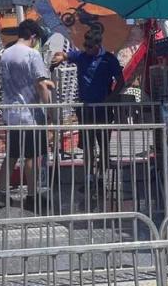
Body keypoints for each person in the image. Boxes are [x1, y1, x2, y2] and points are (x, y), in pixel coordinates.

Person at [52, 29, 124, 198]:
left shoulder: (109, 59)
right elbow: (66, 55)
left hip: (103, 111)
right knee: (87, 146)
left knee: (104, 146)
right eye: (85, 45)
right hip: (85, 110)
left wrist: (110, 99)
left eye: (90, 46)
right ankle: (89, 178)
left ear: (98, 45)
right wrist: (58, 57)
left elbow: (121, 81)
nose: (87, 48)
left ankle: (101, 178)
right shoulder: (82, 56)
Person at [0, 19, 54, 209]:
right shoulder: (32, 54)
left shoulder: (6, 54)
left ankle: (2, 193)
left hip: (11, 113)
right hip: (30, 114)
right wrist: (49, 108)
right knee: (32, 156)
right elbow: (40, 84)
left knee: (11, 155)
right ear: (33, 36)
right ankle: (31, 197)